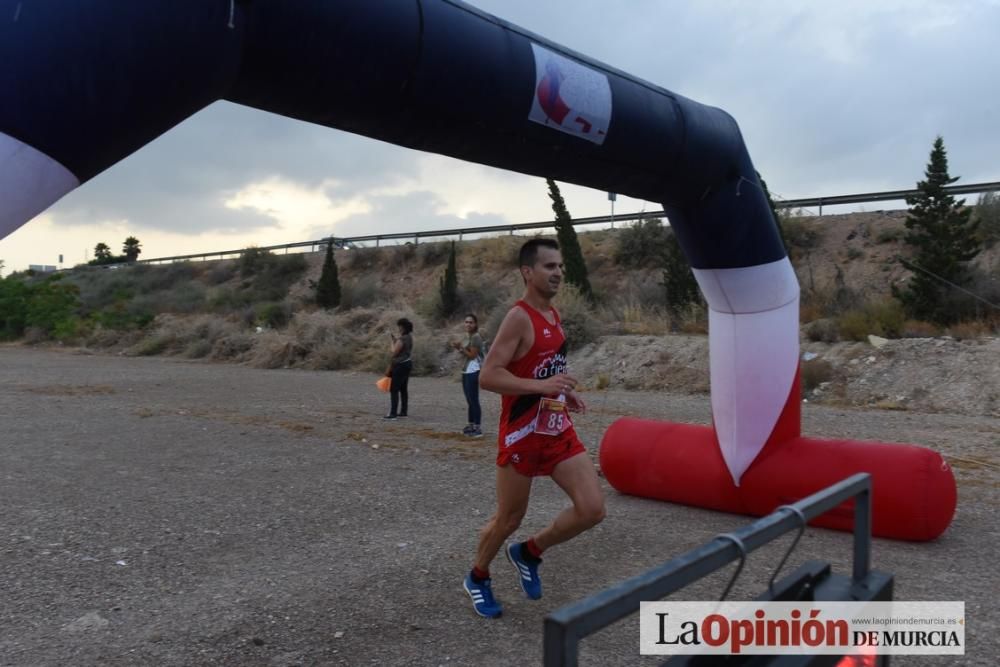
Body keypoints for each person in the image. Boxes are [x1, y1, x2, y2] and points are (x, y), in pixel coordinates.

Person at [463, 238, 605, 619]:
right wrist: (542, 387)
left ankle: (529, 552)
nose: (558, 272)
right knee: (508, 519)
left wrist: (560, 392)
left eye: (560, 266)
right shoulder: (519, 317)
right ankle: (478, 576)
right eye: (549, 266)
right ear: (528, 272)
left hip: (555, 426)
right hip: (521, 433)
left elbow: (545, 369)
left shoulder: (554, 316)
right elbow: (489, 377)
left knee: (592, 509)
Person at [452, 314, 485, 438]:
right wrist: (458, 347)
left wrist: (460, 348)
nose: (468, 324)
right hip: (466, 370)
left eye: (471, 322)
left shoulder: (476, 337)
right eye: (466, 322)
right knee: (469, 399)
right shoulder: (467, 336)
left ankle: (477, 426)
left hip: (473, 370)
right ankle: (471, 424)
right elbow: (465, 352)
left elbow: (472, 355)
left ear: (475, 324)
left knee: (473, 399)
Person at [384, 317, 413, 420]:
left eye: (399, 327)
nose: (399, 329)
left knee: (394, 389)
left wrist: (392, 342)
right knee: (403, 389)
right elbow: (403, 349)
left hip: (400, 365)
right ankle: (403, 411)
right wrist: (396, 341)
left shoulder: (402, 339)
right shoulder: (409, 337)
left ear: (403, 327)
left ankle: (393, 414)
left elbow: (394, 352)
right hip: (407, 364)